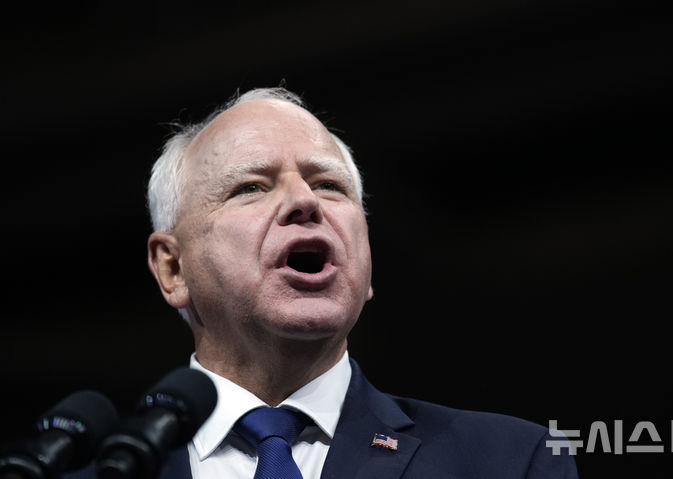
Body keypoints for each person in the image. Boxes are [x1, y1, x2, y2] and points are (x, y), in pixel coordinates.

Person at [75, 87, 579, 478]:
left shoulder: (508, 462)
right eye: (251, 187)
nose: (305, 202)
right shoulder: (85, 470)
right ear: (173, 269)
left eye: (329, 185)